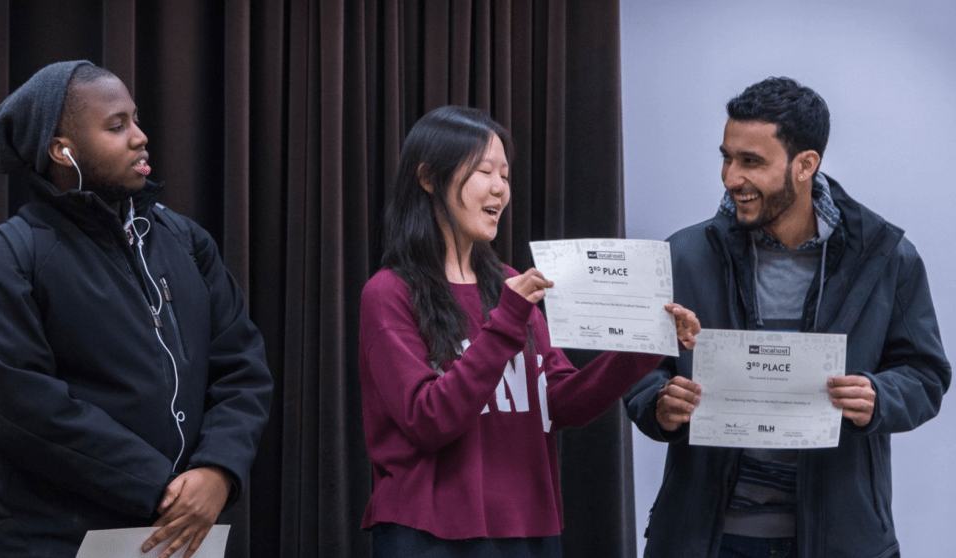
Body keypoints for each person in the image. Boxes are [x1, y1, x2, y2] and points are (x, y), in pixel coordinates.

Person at [0, 60, 273, 558]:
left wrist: (218, 470)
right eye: (116, 126)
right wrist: (159, 487)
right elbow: (24, 410)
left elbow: (242, 366)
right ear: (62, 150)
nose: (140, 137)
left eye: (136, 120)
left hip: (184, 540)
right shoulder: (9, 258)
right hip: (56, 542)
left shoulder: (185, 241)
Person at [623, 77, 951, 558]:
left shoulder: (885, 257)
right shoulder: (685, 253)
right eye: (727, 157)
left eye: (751, 161)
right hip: (704, 540)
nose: (730, 177)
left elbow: (926, 374)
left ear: (805, 165)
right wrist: (659, 402)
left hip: (841, 540)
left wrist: (878, 396)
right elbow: (641, 369)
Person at [358, 105, 701, 558]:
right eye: (483, 171)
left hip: (526, 527)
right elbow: (429, 420)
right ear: (428, 178)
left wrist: (645, 343)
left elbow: (561, 403)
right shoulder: (389, 292)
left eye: (505, 175)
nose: (500, 188)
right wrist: (506, 322)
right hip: (427, 534)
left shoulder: (508, 283)